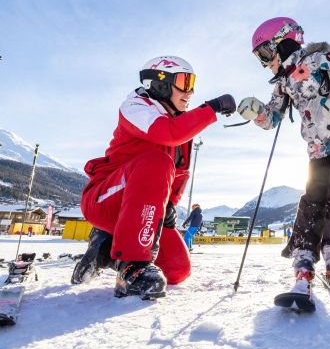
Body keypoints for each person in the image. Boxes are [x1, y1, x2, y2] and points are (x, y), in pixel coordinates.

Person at [71, 56, 236, 300]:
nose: (189, 91)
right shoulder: (136, 107)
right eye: (183, 81)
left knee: (178, 271)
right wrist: (211, 107)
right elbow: (167, 133)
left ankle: (105, 248)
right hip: (105, 200)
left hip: (144, 211)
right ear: (161, 83)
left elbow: (180, 173)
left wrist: (169, 206)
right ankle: (132, 266)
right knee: (156, 161)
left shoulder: (182, 127)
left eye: (193, 83)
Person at [238, 17, 330, 300]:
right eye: (259, 58)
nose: (264, 63)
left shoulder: (319, 60)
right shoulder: (283, 82)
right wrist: (256, 112)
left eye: (265, 53)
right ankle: (303, 261)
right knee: (311, 200)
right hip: (316, 148)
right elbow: (272, 117)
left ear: (284, 42)